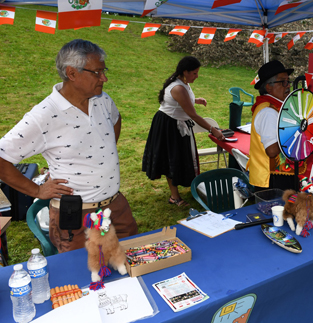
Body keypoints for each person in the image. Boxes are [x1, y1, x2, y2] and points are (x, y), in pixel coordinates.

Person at [0, 39, 138, 253]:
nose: (105, 78)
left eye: (104, 71)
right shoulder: (43, 115)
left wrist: (103, 150)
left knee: (131, 263)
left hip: (116, 207)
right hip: (76, 217)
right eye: (97, 72)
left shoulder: (101, 99)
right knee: (84, 279)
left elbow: (115, 118)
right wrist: (36, 190)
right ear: (72, 73)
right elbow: (2, 158)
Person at [142, 56, 224, 207]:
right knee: (171, 160)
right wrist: (213, 129)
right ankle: (174, 197)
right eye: (194, 73)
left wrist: (196, 100)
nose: (197, 76)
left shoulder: (183, 82)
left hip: (175, 124)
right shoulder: (178, 87)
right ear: (185, 72)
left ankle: (187, 188)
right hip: (169, 127)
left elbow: (183, 101)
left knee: (179, 159)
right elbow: (192, 114)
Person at [248, 60, 306, 191]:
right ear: (269, 87)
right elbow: (272, 150)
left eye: (288, 81)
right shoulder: (269, 112)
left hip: (278, 175)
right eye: (283, 82)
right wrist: (297, 131)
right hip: (272, 178)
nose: (288, 86)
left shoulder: (276, 108)